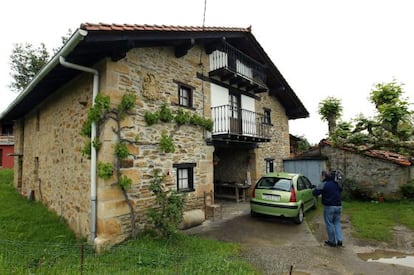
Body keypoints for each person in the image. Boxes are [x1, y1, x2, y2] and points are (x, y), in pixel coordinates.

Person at [312, 170, 343, 247]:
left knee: (329, 224)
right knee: (337, 223)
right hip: (338, 206)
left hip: (329, 207)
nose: (321, 177)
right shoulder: (337, 184)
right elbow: (340, 190)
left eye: (322, 176)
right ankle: (339, 240)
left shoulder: (324, 184)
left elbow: (315, 193)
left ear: (324, 176)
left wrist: (314, 188)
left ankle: (332, 241)